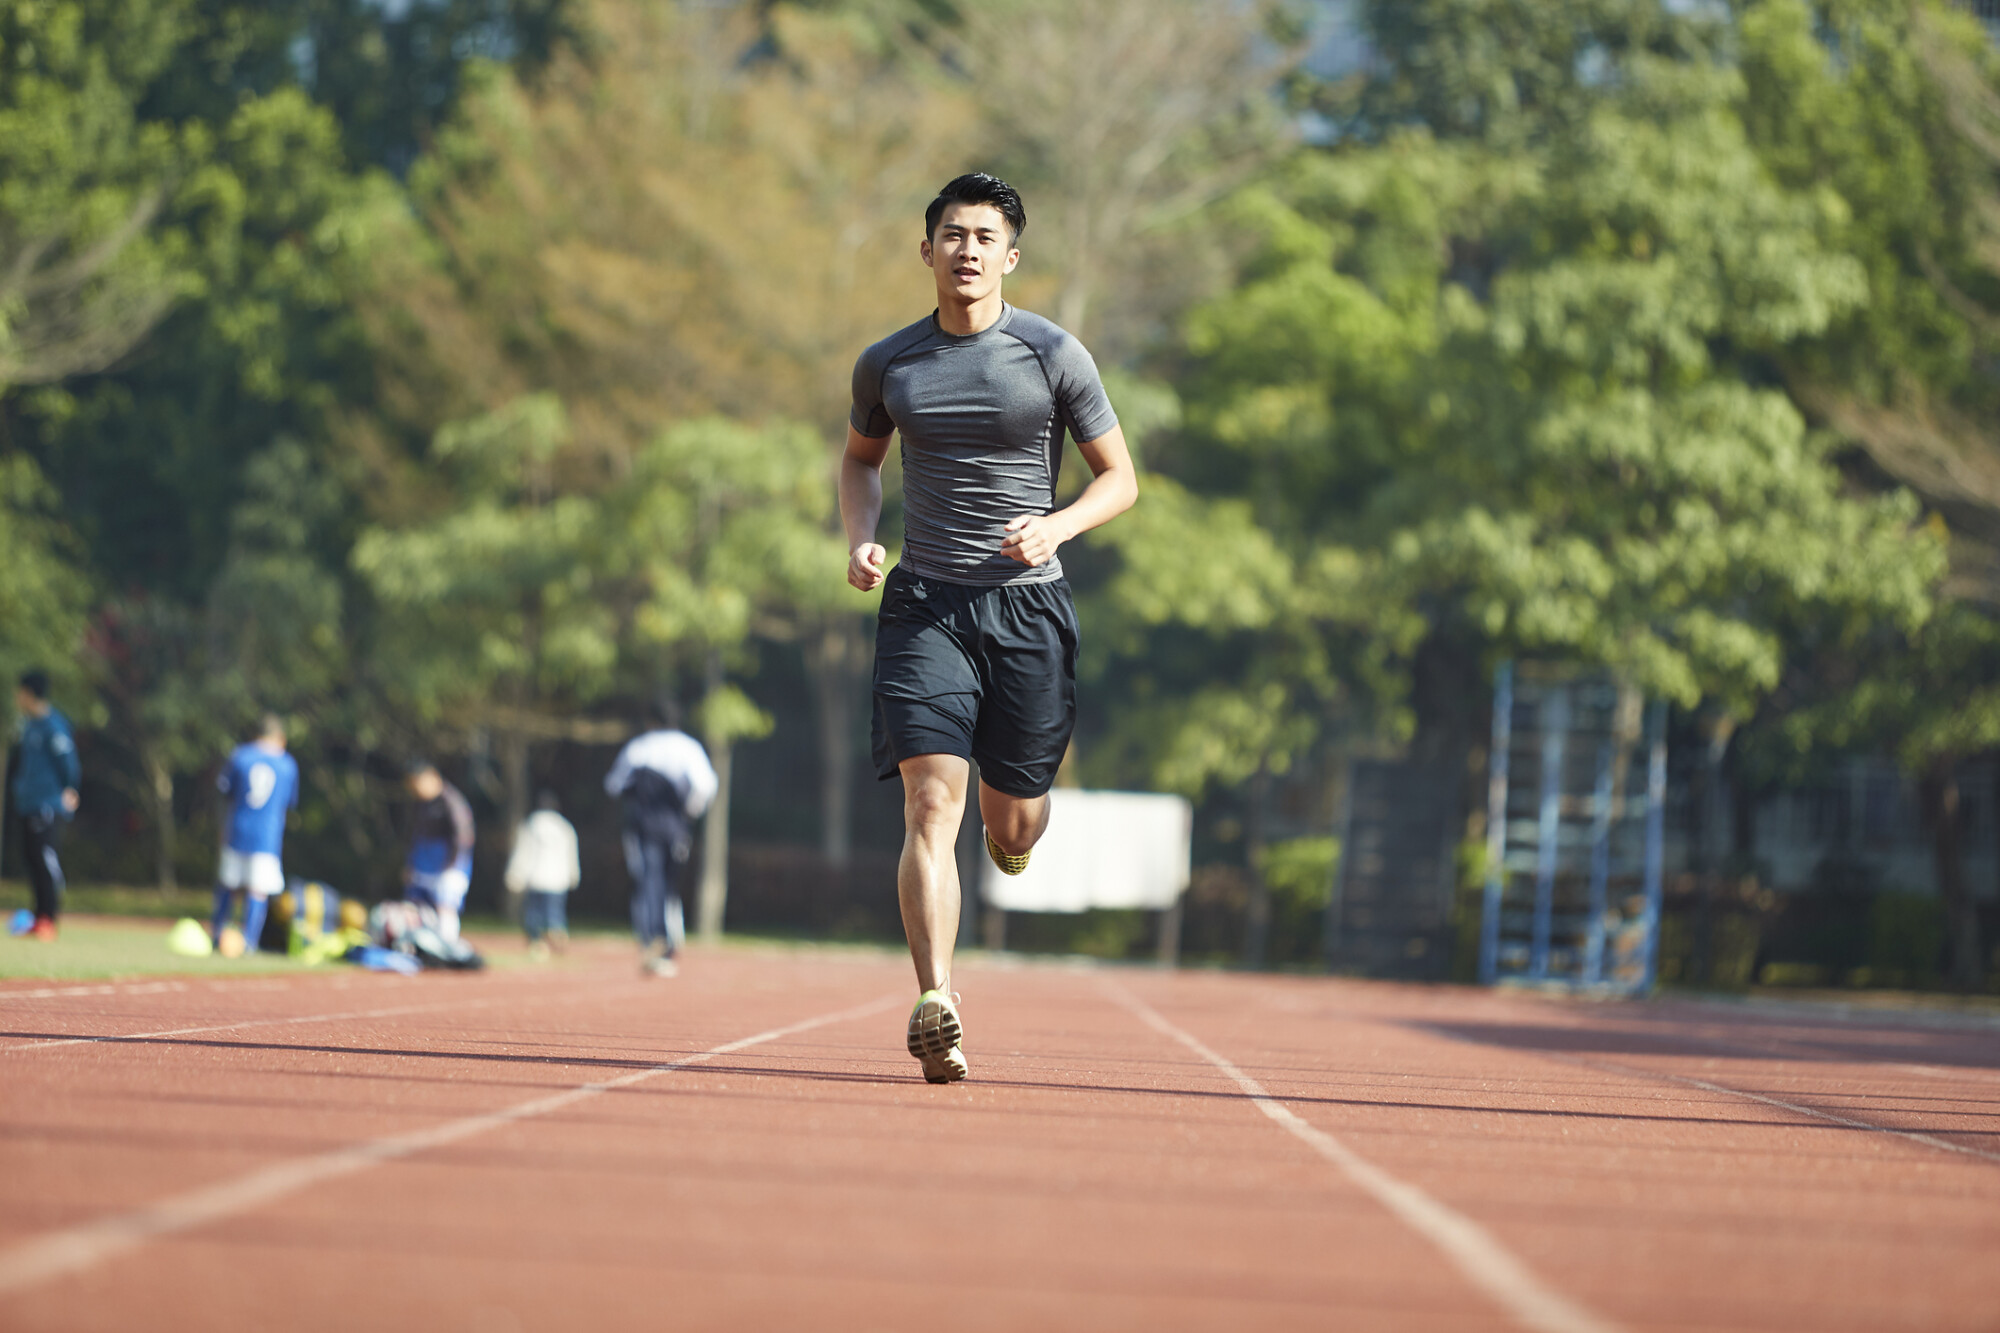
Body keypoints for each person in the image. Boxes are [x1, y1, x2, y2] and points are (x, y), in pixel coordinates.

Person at [841, 173, 1138, 1082]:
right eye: (951, 234)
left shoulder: (1053, 354)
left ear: (1010, 257)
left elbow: (1119, 479)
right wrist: (861, 538)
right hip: (927, 602)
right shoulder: (889, 363)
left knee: (1012, 815)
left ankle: (1015, 835)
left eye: (984, 237)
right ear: (925, 250)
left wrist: (1055, 524)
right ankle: (937, 999)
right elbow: (860, 463)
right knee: (932, 801)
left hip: (1028, 606)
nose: (966, 250)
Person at [604, 703, 717, 978]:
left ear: (651, 721)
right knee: (669, 885)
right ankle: (668, 941)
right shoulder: (689, 747)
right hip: (674, 826)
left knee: (648, 881)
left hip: (642, 826)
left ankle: (653, 938)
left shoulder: (639, 747)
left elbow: (613, 785)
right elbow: (705, 786)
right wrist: (688, 812)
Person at [211, 714, 300, 954]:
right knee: (257, 890)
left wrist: (222, 829)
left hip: (237, 830)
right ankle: (249, 942)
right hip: (266, 837)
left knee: (228, 885)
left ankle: (216, 934)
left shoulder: (240, 755)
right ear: (280, 738)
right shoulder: (287, 764)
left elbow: (224, 794)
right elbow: (288, 805)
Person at [10, 670, 79, 941]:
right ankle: (39, 916)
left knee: (44, 860)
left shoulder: (54, 726)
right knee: (31, 858)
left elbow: (68, 764)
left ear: (29, 693)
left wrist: (69, 789)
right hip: (28, 805)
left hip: (47, 805)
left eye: (20, 692)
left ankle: (49, 917)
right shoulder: (29, 726)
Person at [504, 789, 580, 961]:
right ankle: (557, 931)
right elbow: (571, 854)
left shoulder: (531, 825)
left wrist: (515, 874)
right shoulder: (564, 827)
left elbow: (523, 852)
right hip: (558, 879)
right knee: (555, 911)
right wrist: (573, 875)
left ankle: (537, 944)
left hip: (536, 877)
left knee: (533, 913)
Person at [404, 761, 475, 940]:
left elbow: (463, 836)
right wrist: (410, 864)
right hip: (424, 861)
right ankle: (420, 944)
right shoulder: (420, 804)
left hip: (449, 862)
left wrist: (452, 865)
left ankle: (447, 944)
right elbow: (415, 835)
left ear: (432, 778)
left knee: (446, 904)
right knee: (415, 905)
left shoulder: (451, 801)